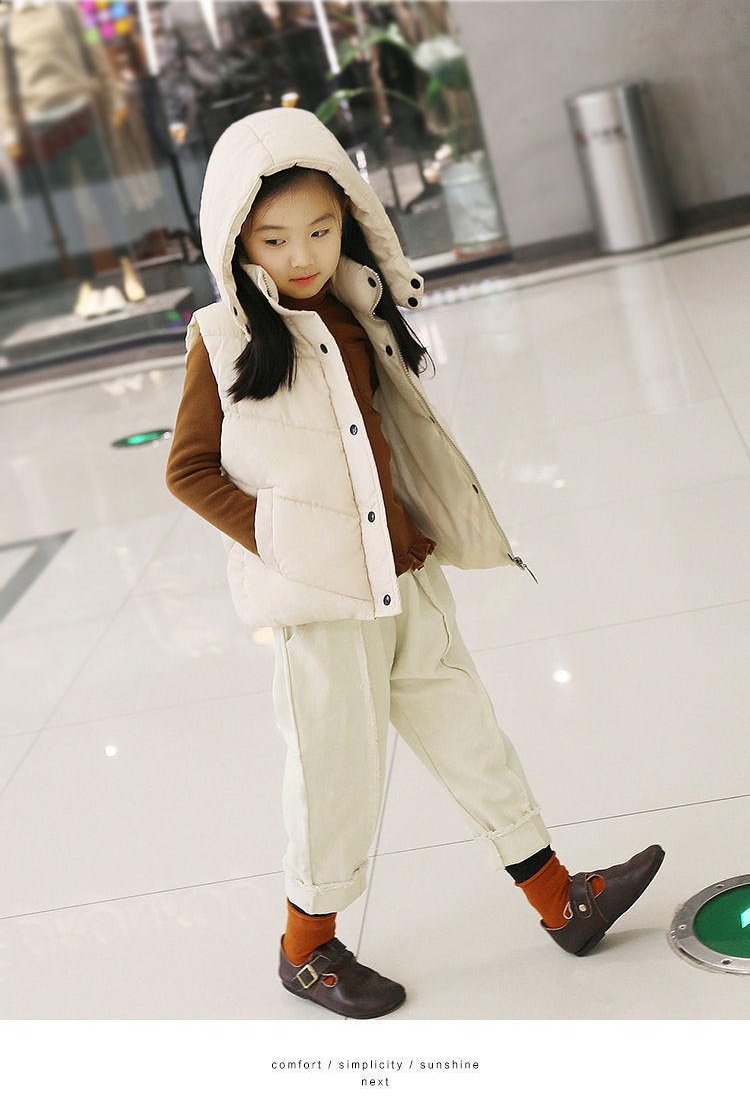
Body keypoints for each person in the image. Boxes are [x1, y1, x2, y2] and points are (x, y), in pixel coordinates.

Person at [165, 107, 664, 1020]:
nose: (302, 254)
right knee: (335, 775)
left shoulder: (358, 306)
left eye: (321, 229)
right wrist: (288, 543)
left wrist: (414, 524)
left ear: (350, 219)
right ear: (236, 239)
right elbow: (188, 470)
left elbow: (379, 439)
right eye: (275, 239)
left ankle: (561, 900)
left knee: (471, 736)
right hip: (321, 602)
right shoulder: (223, 334)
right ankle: (305, 948)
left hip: (403, 573)